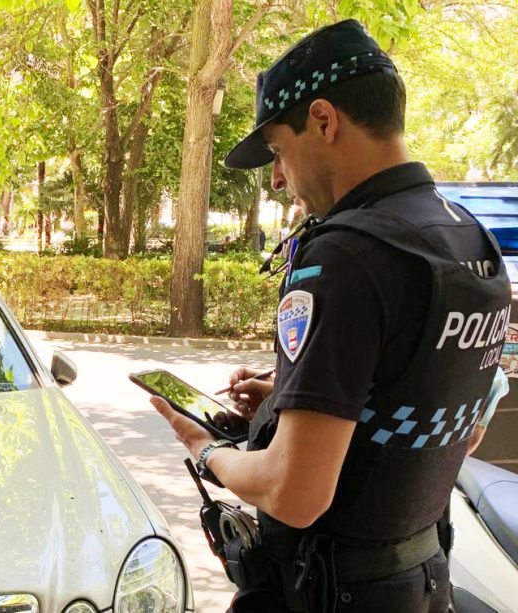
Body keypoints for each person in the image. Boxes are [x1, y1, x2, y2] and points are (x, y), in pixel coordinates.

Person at [149, 19, 511, 612]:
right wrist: (297, 400)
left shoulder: (344, 253)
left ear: (323, 120)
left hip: (329, 591)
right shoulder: (468, 238)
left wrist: (208, 451)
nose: (277, 177)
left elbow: (296, 494)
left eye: (278, 151)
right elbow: (459, 426)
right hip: (424, 581)